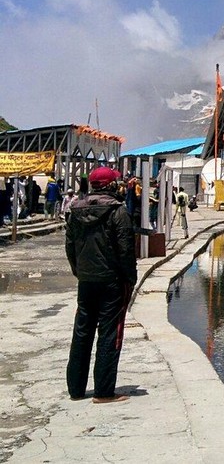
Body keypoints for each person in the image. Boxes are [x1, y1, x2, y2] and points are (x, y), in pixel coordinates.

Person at [64, 166, 136, 404]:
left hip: (86, 280)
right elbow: (126, 250)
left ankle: (76, 388)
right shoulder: (118, 211)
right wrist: (130, 278)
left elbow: (70, 247)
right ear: (110, 186)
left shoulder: (75, 210)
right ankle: (104, 392)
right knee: (110, 333)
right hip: (111, 281)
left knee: (82, 332)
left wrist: (79, 272)